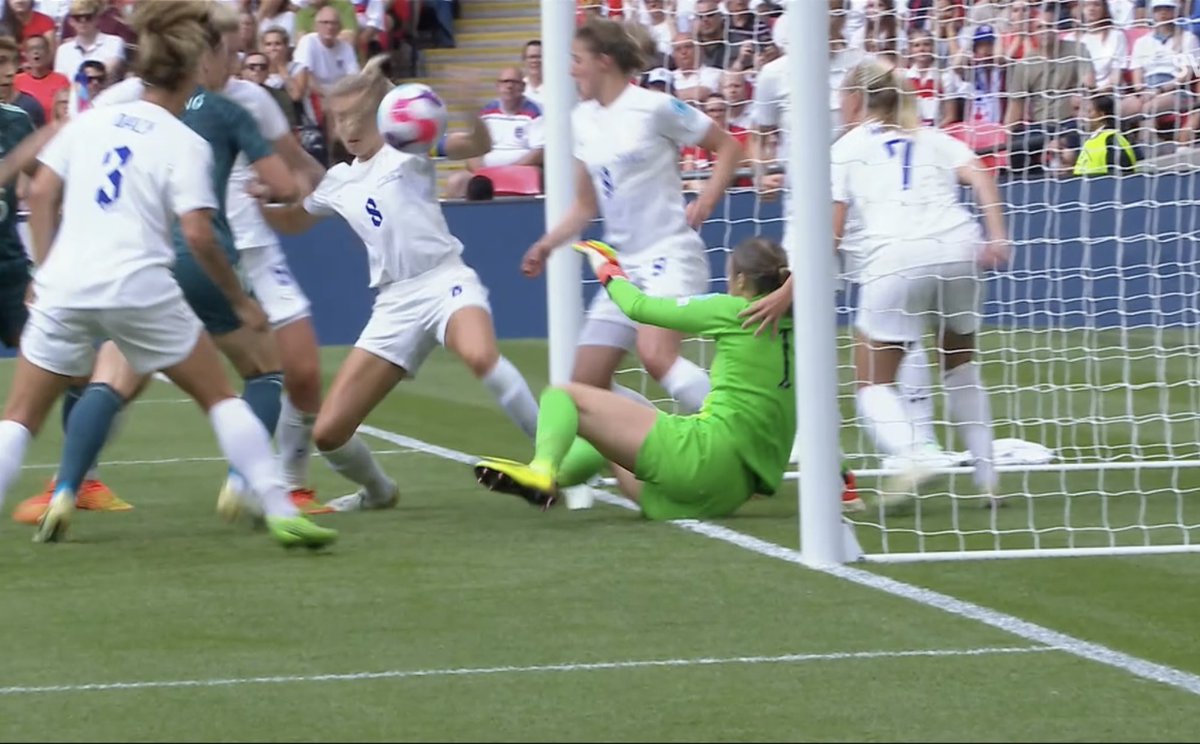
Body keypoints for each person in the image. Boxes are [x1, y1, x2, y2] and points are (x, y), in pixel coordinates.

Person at [3, 0, 335, 548]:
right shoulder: (185, 140)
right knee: (222, 397)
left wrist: (43, 268)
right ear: (194, 68)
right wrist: (240, 299)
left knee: (17, 419)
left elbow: (40, 190)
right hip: (139, 287)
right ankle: (279, 510)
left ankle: (66, 485)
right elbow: (200, 236)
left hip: (66, 284)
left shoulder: (91, 120)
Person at [259, 58, 541, 513]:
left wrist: (471, 111)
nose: (346, 126)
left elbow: (476, 144)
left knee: (480, 355)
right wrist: (252, 211)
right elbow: (294, 220)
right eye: (338, 117)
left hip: (444, 279)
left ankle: (550, 459)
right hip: (394, 303)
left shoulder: (408, 147)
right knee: (329, 433)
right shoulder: (339, 180)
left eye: (356, 115)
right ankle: (378, 492)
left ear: (380, 114)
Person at [518, 17, 743, 498]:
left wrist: (706, 196)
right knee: (585, 386)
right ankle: (658, 449)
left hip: (669, 253)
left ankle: (738, 433)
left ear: (603, 61)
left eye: (577, 61)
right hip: (623, 266)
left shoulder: (655, 107)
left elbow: (728, 147)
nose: (571, 71)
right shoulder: (582, 120)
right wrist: (547, 243)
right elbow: (584, 203)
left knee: (656, 354)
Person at [475, 237, 795, 521]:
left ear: (740, 281)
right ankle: (553, 483)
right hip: (729, 493)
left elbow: (638, 307)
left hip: (703, 458)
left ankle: (542, 471)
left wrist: (608, 268)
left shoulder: (733, 310)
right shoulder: (803, 325)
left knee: (564, 396)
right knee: (605, 437)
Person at [833, 62, 1009, 510]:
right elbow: (982, 174)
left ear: (856, 98)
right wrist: (997, 235)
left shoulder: (846, 147)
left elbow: (831, 230)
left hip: (897, 255)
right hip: (959, 245)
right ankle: (988, 480)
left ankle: (917, 452)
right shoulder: (930, 136)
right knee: (959, 366)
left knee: (871, 383)